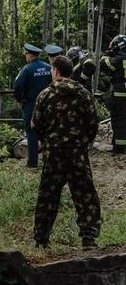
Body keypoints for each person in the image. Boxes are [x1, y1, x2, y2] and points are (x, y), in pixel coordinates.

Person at [31, 55, 100, 249]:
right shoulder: (84, 94)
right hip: (77, 152)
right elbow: (93, 123)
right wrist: (82, 140)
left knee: (48, 196)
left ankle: (41, 240)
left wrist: (48, 139)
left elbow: (36, 125)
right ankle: (89, 237)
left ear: (55, 71)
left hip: (53, 153)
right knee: (85, 194)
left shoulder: (45, 95)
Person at [14, 43, 52, 168]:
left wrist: (20, 100)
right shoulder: (48, 67)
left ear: (29, 55)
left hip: (31, 105)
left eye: (26, 54)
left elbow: (18, 86)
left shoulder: (27, 69)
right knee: (47, 131)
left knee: (31, 133)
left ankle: (32, 162)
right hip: (47, 105)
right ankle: (49, 160)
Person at [99, 34, 126, 154]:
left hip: (121, 93)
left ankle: (120, 148)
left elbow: (104, 64)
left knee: (119, 120)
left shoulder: (120, 58)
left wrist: (107, 53)